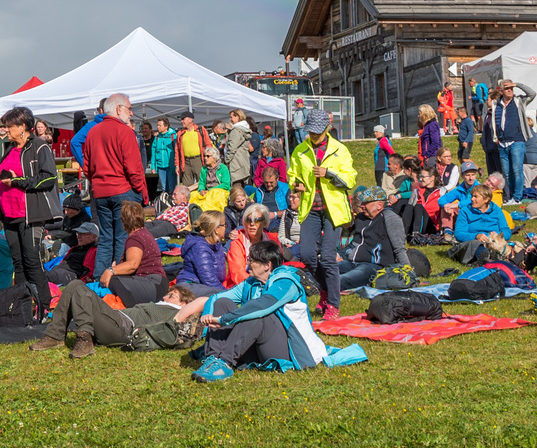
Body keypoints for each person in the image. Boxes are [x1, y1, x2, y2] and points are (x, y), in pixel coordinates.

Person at [189, 244, 331, 381]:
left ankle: (225, 361)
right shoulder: (251, 282)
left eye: (251, 260)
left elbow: (263, 305)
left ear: (266, 265)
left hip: (286, 349)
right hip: (255, 343)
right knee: (223, 303)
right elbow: (216, 298)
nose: (247, 264)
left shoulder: (286, 282)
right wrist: (208, 318)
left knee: (258, 313)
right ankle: (213, 359)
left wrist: (222, 319)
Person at [0, 106, 60, 320]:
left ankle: (45, 305)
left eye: (9, 126)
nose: (5, 130)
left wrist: (19, 181)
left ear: (22, 127)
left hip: (30, 213)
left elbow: (48, 178)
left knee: (31, 260)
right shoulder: (7, 148)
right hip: (9, 213)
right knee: (17, 262)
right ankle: (20, 306)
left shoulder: (40, 147)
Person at [286, 108, 354, 322]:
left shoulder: (340, 150)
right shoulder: (300, 150)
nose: (314, 135)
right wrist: (294, 184)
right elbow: (292, 175)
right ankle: (324, 290)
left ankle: (333, 304)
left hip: (333, 211)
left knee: (327, 257)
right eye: (311, 131)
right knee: (305, 255)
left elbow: (350, 180)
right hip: (309, 208)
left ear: (327, 129)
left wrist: (329, 174)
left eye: (318, 131)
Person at [30, 278, 205, 358]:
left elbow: (202, 303)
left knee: (82, 290)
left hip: (125, 330)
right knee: (75, 284)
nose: (166, 297)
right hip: (115, 319)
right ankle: (54, 335)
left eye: (172, 296)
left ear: (184, 304)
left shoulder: (178, 315)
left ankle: (85, 339)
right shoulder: (163, 305)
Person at [80, 94, 145, 281]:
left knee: (106, 239)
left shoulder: (93, 132)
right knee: (123, 237)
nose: (131, 113)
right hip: (122, 190)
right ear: (118, 109)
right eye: (129, 108)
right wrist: (139, 189)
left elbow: (87, 167)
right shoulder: (124, 132)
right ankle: (118, 278)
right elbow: (134, 167)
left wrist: (97, 183)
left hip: (101, 192)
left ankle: (100, 278)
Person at [488, 79, 532, 200]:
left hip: (516, 141)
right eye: (506, 88)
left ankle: (517, 197)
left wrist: (517, 84)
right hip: (502, 143)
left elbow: (532, 94)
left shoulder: (519, 101)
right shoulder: (497, 104)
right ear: (501, 90)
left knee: (517, 170)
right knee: (506, 173)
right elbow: (494, 122)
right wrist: (495, 137)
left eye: (511, 88)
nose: (510, 90)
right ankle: (510, 196)